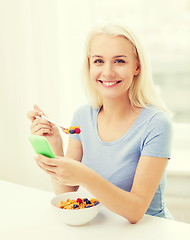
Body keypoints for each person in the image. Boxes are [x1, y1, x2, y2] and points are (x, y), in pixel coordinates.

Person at [27, 23, 173, 224]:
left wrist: (86, 177)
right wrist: (54, 147)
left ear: (137, 66)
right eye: (98, 61)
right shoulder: (82, 117)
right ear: (89, 66)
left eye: (119, 61)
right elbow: (67, 193)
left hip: (150, 230)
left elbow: (136, 211)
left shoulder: (157, 124)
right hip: (105, 227)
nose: (108, 71)